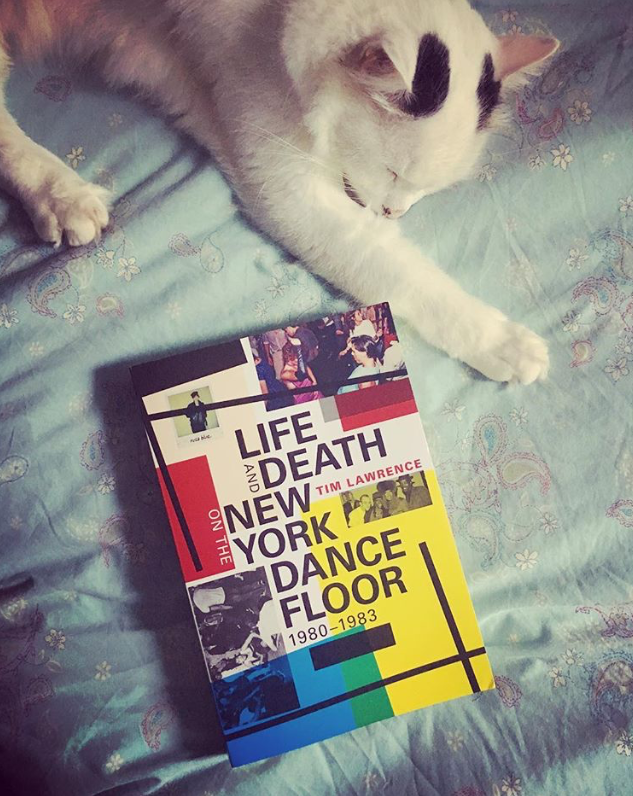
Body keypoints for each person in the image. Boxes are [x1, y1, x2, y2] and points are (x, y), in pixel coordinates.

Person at [252, 347, 294, 411]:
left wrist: (262, 409)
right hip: (281, 389)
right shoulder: (261, 360)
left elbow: (265, 392)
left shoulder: (258, 369)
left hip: (275, 398)